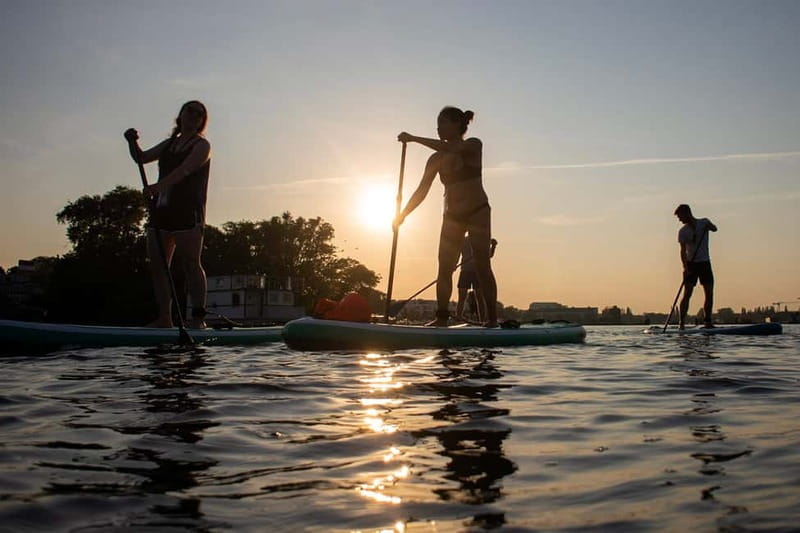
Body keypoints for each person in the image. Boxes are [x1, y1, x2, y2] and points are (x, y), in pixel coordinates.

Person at [394, 106, 498, 327]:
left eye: (442, 123)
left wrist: (413, 138)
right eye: (437, 123)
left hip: (477, 211)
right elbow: (422, 191)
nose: (438, 128)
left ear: (457, 125)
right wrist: (402, 215)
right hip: (452, 216)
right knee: (444, 268)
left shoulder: (473, 145)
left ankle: (491, 320)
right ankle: (441, 318)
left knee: (482, 266)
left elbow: (452, 149)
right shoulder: (435, 159)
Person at [124, 101, 211, 329]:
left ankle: (198, 318)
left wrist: (157, 187)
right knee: (158, 265)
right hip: (161, 211)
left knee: (191, 263)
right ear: (180, 115)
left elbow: (185, 171)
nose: (193, 116)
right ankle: (165, 318)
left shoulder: (202, 146)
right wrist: (131, 143)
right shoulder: (169, 144)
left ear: (202, 120)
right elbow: (140, 158)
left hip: (188, 213)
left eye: (198, 113)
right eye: (189, 111)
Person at [674, 204, 718, 329]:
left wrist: (710, 226)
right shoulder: (682, 232)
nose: (680, 220)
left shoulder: (703, 223)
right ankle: (681, 322)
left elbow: (715, 229)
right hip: (691, 265)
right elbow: (682, 251)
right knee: (687, 293)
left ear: (687, 213)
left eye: (680, 217)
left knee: (709, 293)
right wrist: (685, 267)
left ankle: (707, 321)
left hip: (705, 263)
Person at [456, 236, 498, 321]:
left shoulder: (482, 240)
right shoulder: (463, 240)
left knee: (479, 297)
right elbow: (457, 253)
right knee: (462, 296)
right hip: (465, 271)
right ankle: (458, 316)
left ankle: (482, 320)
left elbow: (489, 255)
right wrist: (454, 264)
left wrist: (493, 246)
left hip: (477, 272)